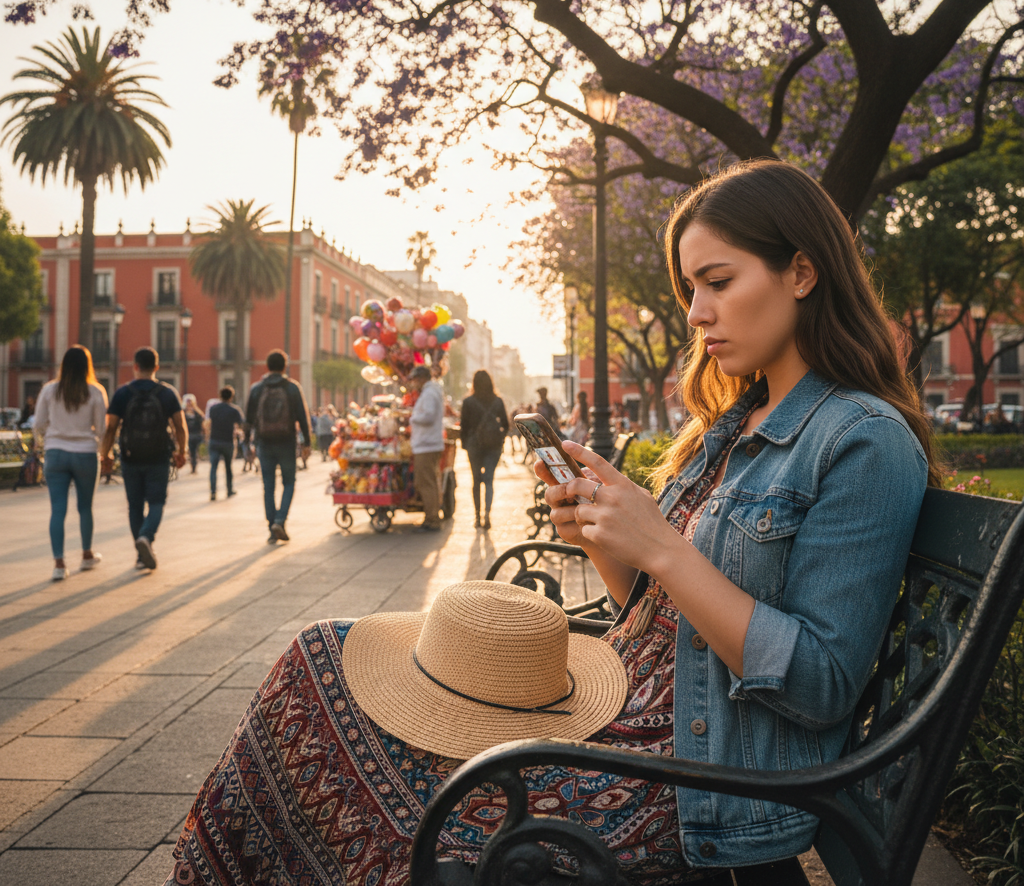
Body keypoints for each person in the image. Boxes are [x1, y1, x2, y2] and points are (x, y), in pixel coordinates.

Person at [167, 159, 936, 884]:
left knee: (372, 756)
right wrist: (606, 540)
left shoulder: (863, 440)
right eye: (690, 289)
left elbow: (822, 684)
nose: (697, 314)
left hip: (688, 779)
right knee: (322, 657)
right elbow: (659, 615)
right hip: (618, 717)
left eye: (718, 282)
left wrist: (663, 547)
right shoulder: (735, 422)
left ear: (802, 271)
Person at [101, 347, 186, 571]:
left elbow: (110, 428)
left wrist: (106, 455)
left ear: (135, 366)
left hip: (131, 458)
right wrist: (181, 451)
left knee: (135, 506)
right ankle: (146, 538)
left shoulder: (122, 393)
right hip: (158, 457)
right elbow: (180, 426)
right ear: (157, 367)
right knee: (157, 502)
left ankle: (140, 555)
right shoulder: (167, 393)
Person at [34, 346, 108, 581]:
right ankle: (86, 555)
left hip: (55, 453)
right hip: (85, 453)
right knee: (85, 507)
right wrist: (99, 447)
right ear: (87, 365)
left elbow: (38, 423)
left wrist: (50, 437)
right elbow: (102, 428)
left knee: (57, 509)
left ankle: (59, 563)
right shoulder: (95, 391)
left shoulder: (49, 390)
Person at [245, 349, 311, 544]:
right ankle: (280, 521)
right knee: (289, 483)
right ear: (285, 366)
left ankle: (272, 527)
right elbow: (302, 416)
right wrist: (307, 441)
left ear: (267, 366)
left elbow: (248, 418)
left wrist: (247, 443)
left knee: (268, 486)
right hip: (286, 441)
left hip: (264, 442)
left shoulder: (257, 388)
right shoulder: (292, 387)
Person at [459, 369, 509, 530]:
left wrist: (465, 444)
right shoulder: (498, 401)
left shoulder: (468, 402)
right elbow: (506, 425)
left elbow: (463, 427)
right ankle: (487, 514)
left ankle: (476, 516)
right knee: (488, 480)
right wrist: (499, 439)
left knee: (475, 481)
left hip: (474, 444)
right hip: (493, 446)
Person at [408, 364, 445, 532]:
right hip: (429, 442)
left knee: (426, 483)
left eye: (415, 379)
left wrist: (413, 417)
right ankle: (432, 516)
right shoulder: (432, 391)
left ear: (422, 379)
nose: (414, 383)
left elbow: (428, 416)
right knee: (429, 481)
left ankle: (432, 519)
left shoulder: (430, 393)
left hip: (426, 444)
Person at [207, 386, 244, 500]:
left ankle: (213, 492)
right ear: (231, 397)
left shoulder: (213, 409)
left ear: (220, 396)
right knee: (228, 467)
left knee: (213, 467)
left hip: (214, 440)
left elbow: (209, 421)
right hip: (228, 441)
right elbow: (241, 423)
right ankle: (229, 490)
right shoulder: (234, 410)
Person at [183, 394, 204, 473]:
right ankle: (193, 466)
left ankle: (194, 466)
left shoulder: (197, 413)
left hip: (196, 434)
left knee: (195, 451)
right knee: (191, 451)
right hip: (188, 434)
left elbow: (202, 421)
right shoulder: (183, 413)